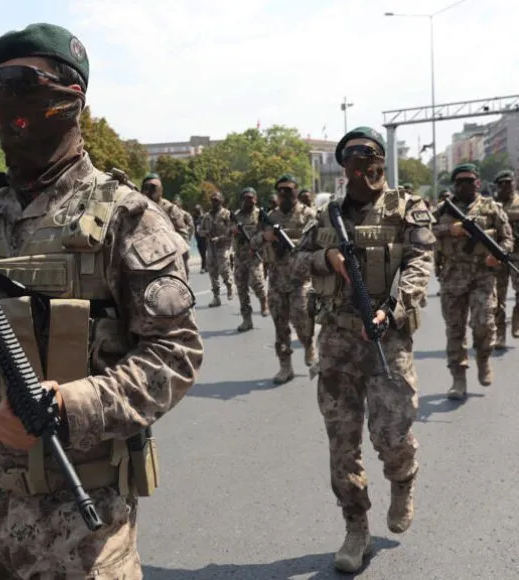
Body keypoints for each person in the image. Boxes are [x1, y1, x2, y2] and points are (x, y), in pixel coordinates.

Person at [0, 23, 202, 579]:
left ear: (71, 96)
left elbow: (175, 356)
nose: (6, 98)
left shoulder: (127, 217)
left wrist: (67, 407)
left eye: (22, 82)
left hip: (80, 522)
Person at [297, 126, 434, 573]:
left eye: (371, 156)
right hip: (336, 343)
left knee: (392, 435)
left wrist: (392, 310)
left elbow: (420, 263)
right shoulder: (327, 215)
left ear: (381, 160)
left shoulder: (406, 207)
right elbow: (295, 260)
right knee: (343, 444)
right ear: (344, 168)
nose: (365, 166)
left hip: (386, 339)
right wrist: (326, 259)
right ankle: (356, 528)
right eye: (354, 159)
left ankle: (402, 478)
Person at [433, 163, 512, 399]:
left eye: (470, 181)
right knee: (454, 330)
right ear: (454, 184)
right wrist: (450, 230)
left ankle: (483, 359)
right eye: (460, 182)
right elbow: (423, 233)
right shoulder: (443, 210)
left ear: (478, 182)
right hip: (452, 277)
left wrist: (497, 256)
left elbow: (507, 239)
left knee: (484, 324)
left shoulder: (491, 208)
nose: (465, 186)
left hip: (483, 276)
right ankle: (458, 378)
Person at [251, 174, 317, 384]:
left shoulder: (308, 215)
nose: (283, 193)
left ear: (296, 190)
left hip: (300, 281)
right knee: (280, 327)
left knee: (302, 322)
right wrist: (265, 237)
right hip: (276, 282)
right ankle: (285, 367)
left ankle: (308, 344)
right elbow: (252, 242)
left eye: (288, 189)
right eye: (280, 190)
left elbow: (320, 245)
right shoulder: (270, 217)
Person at [232, 187, 268, 330]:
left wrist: (256, 243)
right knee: (241, 289)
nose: (249, 201)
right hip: (240, 256)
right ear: (242, 200)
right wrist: (233, 231)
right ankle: (247, 320)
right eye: (246, 198)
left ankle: (263, 299)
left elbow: (266, 233)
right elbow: (228, 230)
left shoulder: (260, 215)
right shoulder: (236, 215)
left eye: (251, 198)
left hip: (255, 255)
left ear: (256, 199)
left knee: (256, 281)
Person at [492, 169, 519, 347]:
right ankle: (499, 334)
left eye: (508, 183)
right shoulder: (491, 205)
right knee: (497, 298)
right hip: (498, 255)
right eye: (502, 184)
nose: (506, 187)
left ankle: (516, 319)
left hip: (518, 254)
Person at [199, 191, 234, 306]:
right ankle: (216, 297)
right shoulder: (206, 216)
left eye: (217, 200)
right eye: (213, 200)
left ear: (221, 201)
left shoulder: (226, 214)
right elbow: (200, 231)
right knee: (212, 273)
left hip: (223, 246)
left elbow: (232, 231)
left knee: (223, 269)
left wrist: (220, 238)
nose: (214, 202)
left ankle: (229, 285)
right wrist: (206, 233)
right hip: (211, 248)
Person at [193, 204, 207, 273]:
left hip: (204, 237)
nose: (197, 211)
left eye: (198, 210)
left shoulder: (204, 217)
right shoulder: (194, 218)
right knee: (201, 253)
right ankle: (206, 266)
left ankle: (203, 267)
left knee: (203, 252)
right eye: (196, 210)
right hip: (198, 238)